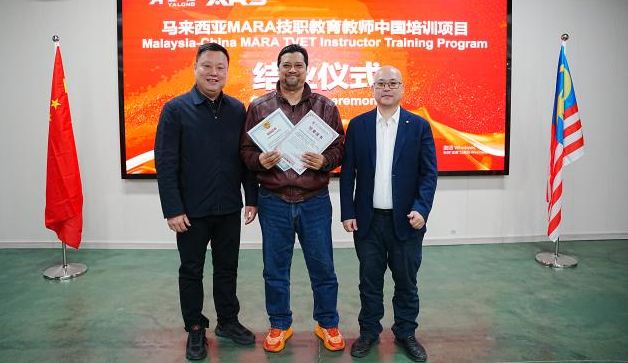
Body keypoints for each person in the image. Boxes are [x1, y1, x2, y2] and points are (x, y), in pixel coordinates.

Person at [155, 43, 258, 361]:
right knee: (191, 270)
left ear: (227, 72)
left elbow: (245, 158)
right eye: (207, 66)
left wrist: (251, 199)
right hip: (191, 212)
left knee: (227, 268)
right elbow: (166, 163)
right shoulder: (175, 110)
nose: (214, 73)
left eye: (220, 67)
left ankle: (228, 321)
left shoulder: (237, 109)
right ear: (195, 68)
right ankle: (196, 328)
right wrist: (173, 209)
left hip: (228, 206)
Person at [240, 44, 346, 353]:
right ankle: (279, 324)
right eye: (286, 65)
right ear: (278, 68)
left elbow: (340, 147)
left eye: (298, 65)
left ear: (306, 69)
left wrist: (324, 160)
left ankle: (327, 323)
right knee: (275, 269)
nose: (292, 70)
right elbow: (245, 151)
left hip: (315, 200)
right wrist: (260, 161)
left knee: (323, 266)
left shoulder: (326, 107)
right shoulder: (259, 107)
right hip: (273, 200)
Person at [339, 65, 438, 361]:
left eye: (393, 83)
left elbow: (428, 174)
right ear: (372, 89)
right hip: (368, 222)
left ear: (402, 88)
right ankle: (369, 332)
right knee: (369, 282)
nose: (386, 88)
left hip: (406, 222)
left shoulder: (418, 126)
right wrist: (348, 211)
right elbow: (348, 173)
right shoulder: (358, 125)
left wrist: (422, 208)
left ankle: (406, 333)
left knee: (406, 282)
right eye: (381, 83)